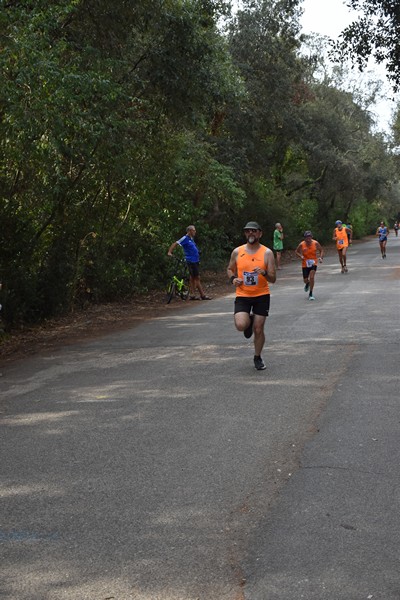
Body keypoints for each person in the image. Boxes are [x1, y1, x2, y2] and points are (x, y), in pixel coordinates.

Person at [227, 221, 276, 370]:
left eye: (254, 231)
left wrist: (265, 273)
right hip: (243, 294)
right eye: (248, 231)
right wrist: (233, 279)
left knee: (258, 329)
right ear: (245, 234)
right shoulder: (237, 252)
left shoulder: (267, 253)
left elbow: (273, 278)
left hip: (262, 295)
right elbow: (229, 269)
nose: (251, 234)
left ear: (260, 233)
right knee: (241, 325)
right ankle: (250, 319)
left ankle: (257, 357)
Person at [168, 225, 211, 300]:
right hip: (191, 261)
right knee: (197, 277)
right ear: (189, 231)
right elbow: (175, 243)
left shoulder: (191, 239)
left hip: (195, 260)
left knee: (192, 278)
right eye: (193, 230)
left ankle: (192, 295)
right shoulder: (185, 238)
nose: (195, 232)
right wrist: (169, 252)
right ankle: (202, 295)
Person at [295, 231, 324, 301]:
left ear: (311, 237)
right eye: (307, 237)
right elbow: (296, 251)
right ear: (304, 238)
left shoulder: (315, 243)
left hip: (313, 262)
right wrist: (301, 256)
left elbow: (321, 250)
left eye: (309, 237)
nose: (308, 239)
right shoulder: (302, 244)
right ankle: (307, 283)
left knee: (311, 277)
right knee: (305, 280)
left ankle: (311, 293)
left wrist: (320, 257)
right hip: (305, 263)